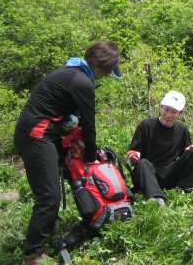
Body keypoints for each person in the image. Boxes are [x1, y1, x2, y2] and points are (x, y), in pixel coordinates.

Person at [14, 40, 122, 265]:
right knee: (49, 196)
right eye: (109, 70)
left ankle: (92, 217)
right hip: (36, 135)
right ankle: (32, 255)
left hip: (42, 134)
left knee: (70, 171)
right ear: (101, 65)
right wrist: (91, 158)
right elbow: (89, 126)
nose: (107, 76)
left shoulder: (73, 72)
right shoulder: (82, 82)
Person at [128, 91, 193, 205]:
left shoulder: (182, 129)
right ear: (161, 107)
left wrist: (189, 152)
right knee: (143, 163)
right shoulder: (146, 125)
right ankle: (156, 197)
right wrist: (133, 156)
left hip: (169, 171)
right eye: (166, 110)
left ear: (181, 113)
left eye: (173, 112)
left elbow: (184, 156)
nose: (168, 115)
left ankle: (185, 191)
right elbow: (133, 150)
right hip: (148, 172)